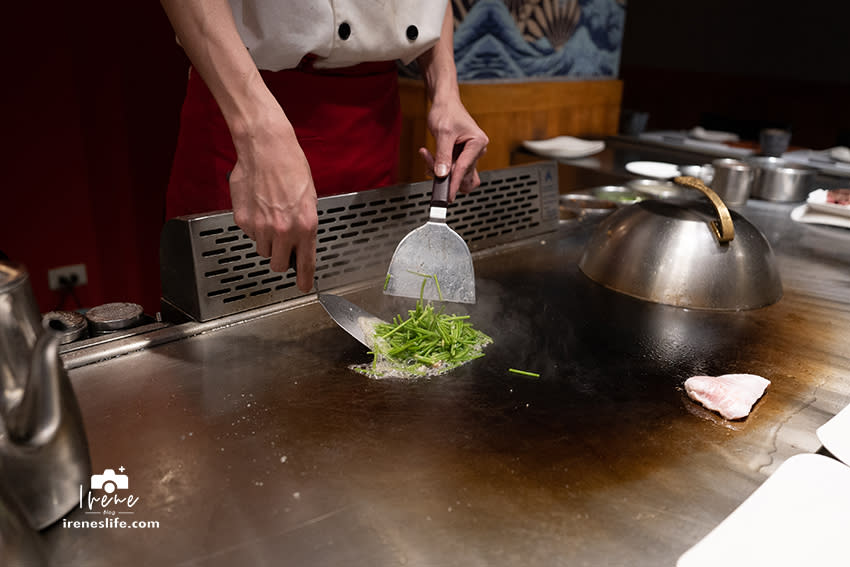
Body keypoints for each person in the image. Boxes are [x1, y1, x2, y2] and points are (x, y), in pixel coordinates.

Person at [160, 0, 489, 293]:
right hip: (246, 101)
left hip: (372, 122)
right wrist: (255, 128)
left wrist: (445, 89)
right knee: (231, 322)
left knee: (363, 306)